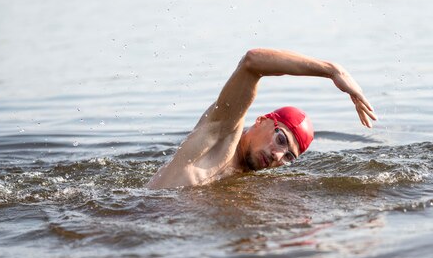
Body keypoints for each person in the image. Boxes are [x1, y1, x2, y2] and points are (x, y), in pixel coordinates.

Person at [146, 48, 377, 189]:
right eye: (281, 139)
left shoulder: (246, 178)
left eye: (288, 157)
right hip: (140, 217)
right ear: (262, 120)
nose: (278, 155)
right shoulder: (221, 134)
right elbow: (252, 62)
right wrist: (332, 70)